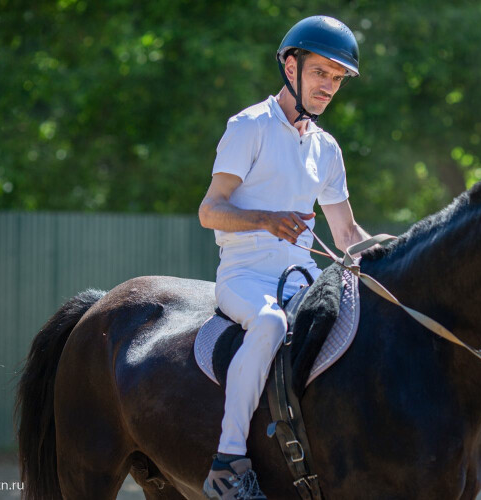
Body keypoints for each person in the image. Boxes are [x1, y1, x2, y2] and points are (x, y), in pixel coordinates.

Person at [197, 15, 370, 500]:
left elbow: (346, 234)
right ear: (290, 65)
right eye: (321, 73)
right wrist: (267, 220)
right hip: (245, 276)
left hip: (304, 279)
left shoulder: (327, 149)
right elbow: (209, 211)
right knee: (271, 324)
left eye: (337, 79)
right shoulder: (248, 126)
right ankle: (228, 463)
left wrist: (396, 250)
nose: (329, 87)